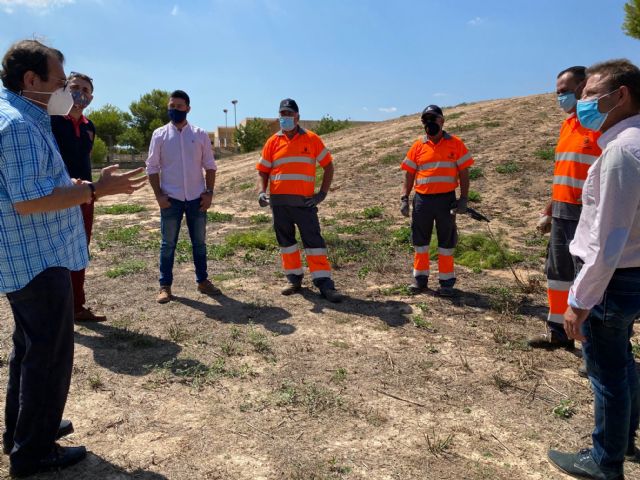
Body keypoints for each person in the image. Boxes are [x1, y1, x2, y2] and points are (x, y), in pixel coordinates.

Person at [0, 39, 145, 477]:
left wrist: (74, 183)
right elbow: (30, 201)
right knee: (47, 355)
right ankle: (34, 452)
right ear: (31, 80)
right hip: (37, 259)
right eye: (60, 82)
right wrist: (95, 190)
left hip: (32, 255)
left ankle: (25, 432)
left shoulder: (26, 115)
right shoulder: (19, 126)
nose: (67, 90)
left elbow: (33, 184)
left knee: (28, 350)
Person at [547, 59, 640, 480]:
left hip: (614, 279)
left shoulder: (621, 151)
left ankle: (605, 461)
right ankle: (626, 439)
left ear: (620, 95)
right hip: (630, 274)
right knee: (622, 361)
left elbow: (608, 242)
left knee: (606, 374)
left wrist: (579, 302)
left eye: (589, 94)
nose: (582, 102)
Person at [528, 67, 602, 351]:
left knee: (587, 276)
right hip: (561, 211)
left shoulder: (599, 126)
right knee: (557, 273)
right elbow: (563, 173)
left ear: (583, 87)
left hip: (589, 213)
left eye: (565, 90)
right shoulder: (567, 125)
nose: (560, 96)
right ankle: (558, 332)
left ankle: (588, 342)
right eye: (557, 91)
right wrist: (549, 209)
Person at [256, 98, 343, 303]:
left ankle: (324, 284)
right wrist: (261, 192)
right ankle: (294, 280)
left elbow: (328, 166)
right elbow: (263, 171)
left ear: (297, 117)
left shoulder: (312, 139)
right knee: (286, 243)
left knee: (314, 243)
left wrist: (321, 194)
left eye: (289, 114)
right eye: (282, 114)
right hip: (279, 203)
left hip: (305, 204)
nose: (285, 118)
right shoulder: (272, 142)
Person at [146, 89, 220, 304]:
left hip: (197, 199)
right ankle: (165, 286)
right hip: (171, 199)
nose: (175, 110)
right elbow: (152, 167)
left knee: (199, 243)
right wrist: (159, 195)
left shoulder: (199, 134)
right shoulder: (159, 135)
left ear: (188, 108)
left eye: (179, 106)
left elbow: (210, 166)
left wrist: (209, 193)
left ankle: (203, 281)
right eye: (172, 106)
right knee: (167, 244)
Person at [400, 105, 474, 296]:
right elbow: (409, 174)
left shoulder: (456, 144)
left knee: (446, 242)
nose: (429, 123)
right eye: (425, 120)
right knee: (420, 242)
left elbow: (464, 173)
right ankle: (420, 280)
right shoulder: (417, 146)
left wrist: (463, 199)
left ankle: (447, 283)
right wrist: (404, 198)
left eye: (433, 119)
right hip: (422, 201)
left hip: (446, 201)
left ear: (442, 121)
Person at [51, 71, 106, 322]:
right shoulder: (50, 121)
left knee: (79, 250)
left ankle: (76, 306)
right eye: (75, 87)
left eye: (85, 90)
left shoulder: (89, 127)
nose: (80, 94)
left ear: (91, 97)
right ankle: (55, 309)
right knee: (55, 252)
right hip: (56, 196)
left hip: (85, 197)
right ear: (64, 89)